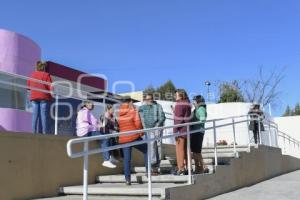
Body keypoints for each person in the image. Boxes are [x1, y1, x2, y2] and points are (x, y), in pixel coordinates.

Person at [76, 101, 116, 169]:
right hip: (85, 132)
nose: (91, 104)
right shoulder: (85, 111)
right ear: (85, 104)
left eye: (92, 103)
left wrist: (98, 126)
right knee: (105, 137)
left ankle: (110, 156)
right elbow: (90, 122)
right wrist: (99, 126)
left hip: (84, 131)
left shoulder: (84, 111)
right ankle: (106, 160)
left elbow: (92, 123)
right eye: (89, 103)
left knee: (106, 136)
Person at [118, 96, 148, 185]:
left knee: (127, 159)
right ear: (130, 102)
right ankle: (148, 171)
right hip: (133, 136)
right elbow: (138, 123)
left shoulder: (119, 113)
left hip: (123, 138)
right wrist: (141, 133)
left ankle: (127, 179)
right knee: (146, 149)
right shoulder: (133, 110)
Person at [139, 93, 166, 174]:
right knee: (151, 145)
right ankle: (153, 165)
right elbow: (139, 113)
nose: (149, 101)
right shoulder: (143, 107)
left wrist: (157, 126)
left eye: (150, 99)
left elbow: (162, 117)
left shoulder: (158, 106)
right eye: (147, 99)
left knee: (158, 145)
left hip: (157, 128)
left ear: (153, 99)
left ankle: (157, 164)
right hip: (148, 129)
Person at [27, 61, 53, 134]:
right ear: (44, 67)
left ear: (37, 67)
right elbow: (50, 87)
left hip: (34, 97)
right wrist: (51, 96)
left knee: (35, 115)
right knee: (43, 115)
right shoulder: (46, 75)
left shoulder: (32, 75)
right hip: (44, 97)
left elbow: (28, 86)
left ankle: (33, 132)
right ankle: (44, 133)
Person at [173, 89, 192, 175]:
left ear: (181, 95)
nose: (175, 96)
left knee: (179, 150)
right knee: (186, 150)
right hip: (187, 129)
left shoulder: (179, 104)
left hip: (180, 130)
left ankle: (181, 168)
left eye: (176, 95)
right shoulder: (187, 103)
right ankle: (189, 167)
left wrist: (175, 130)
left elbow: (178, 119)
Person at [190, 95, 209, 174]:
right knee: (195, 152)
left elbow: (202, 119)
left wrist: (194, 122)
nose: (193, 102)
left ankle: (202, 167)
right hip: (194, 132)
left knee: (196, 152)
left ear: (198, 101)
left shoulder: (201, 109)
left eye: (194, 100)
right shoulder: (195, 109)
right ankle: (200, 167)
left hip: (198, 132)